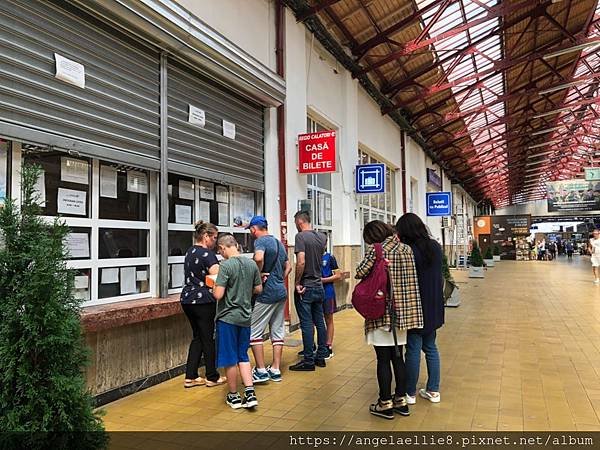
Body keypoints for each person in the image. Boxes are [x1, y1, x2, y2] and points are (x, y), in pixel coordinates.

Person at [355, 220, 423, 420]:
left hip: (381, 311)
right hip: (403, 314)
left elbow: (360, 272)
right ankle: (401, 401)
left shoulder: (377, 250)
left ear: (373, 236)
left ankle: (385, 403)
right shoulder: (406, 249)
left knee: (383, 359)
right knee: (398, 356)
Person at [396, 213, 444, 405]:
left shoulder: (408, 251)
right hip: (434, 304)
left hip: (415, 306)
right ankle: (433, 390)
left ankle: (410, 393)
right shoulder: (435, 247)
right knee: (431, 347)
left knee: (413, 349)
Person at [213, 234, 263, 409]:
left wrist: (213, 286)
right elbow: (258, 288)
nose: (221, 254)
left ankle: (233, 396)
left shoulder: (225, 266)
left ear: (223, 248)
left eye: (220, 251)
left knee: (229, 358)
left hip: (227, 318)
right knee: (243, 355)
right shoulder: (251, 264)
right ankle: (250, 393)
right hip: (245, 317)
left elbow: (218, 294)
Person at [180, 221, 226, 389]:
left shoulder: (190, 251)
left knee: (198, 337)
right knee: (208, 338)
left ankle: (190, 376)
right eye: (214, 238)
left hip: (187, 299)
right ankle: (212, 376)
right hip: (203, 300)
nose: (215, 242)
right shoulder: (207, 255)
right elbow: (218, 277)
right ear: (206, 236)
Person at [247, 216, 292, 383]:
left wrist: (258, 275)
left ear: (254, 229)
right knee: (277, 330)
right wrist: (279, 279)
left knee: (254, 331)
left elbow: (258, 258)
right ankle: (275, 368)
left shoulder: (260, 242)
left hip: (266, 293)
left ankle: (260, 370)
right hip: (281, 291)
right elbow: (289, 266)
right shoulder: (278, 243)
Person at [289, 211, 329, 371]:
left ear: (299, 222)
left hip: (306, 286)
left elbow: (301, 261)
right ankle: (321, 356)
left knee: (306, 324)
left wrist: (297, 282)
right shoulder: (322, 237)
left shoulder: (300, 237)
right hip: (319, 285)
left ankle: (308, 360)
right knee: (320, 322)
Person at [321, 234, 341, 359]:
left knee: (328, 319)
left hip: (328, 292)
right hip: (315, 293)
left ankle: (328, 346)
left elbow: (338, 275)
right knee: (314, 320)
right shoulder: (311, 256)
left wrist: (323, 280)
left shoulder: (330, 258)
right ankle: (315, 346)